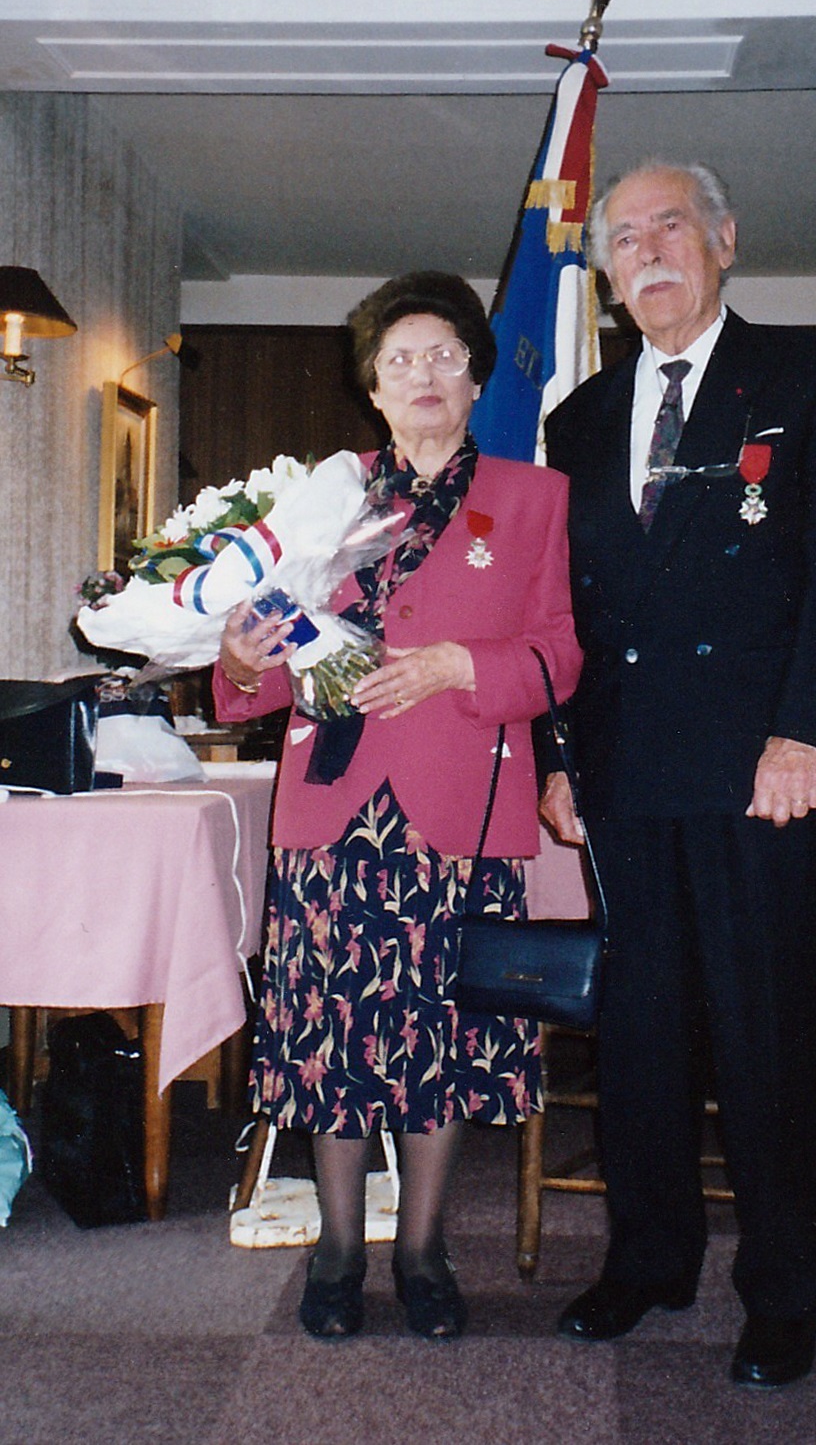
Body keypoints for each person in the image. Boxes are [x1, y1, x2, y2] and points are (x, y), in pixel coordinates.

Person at [543, 162, 816, 1387]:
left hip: (756, 768)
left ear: (724, 240)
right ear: (605, 273)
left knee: (764, 1034)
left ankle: (785, 1291)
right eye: (623, 238)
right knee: (638, 1032)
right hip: (624, 768)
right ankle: (648, 1260)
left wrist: (805, 732)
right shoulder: (580, 418)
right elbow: (568, 608)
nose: (647, 251)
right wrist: (562, 757)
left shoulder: (812, 375)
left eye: (669, 225)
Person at [214, 271, 582, 1342]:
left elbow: (561, 655)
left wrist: (463, 665)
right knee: (331, 1034)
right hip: (331, 808)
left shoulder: (531, 499)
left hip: (460, 809)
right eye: (400, 360)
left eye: (444, 356)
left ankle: (422, 1250)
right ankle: (337, 1250)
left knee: (439, 1036)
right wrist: (239, 657)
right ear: (372, 387)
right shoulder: (320, 501)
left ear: (476, 379)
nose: (424, 375)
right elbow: (256, 675)